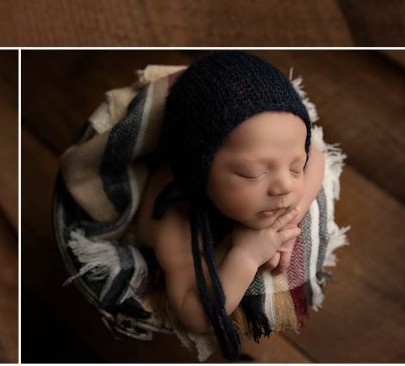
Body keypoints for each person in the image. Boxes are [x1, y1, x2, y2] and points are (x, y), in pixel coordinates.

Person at [133, 52, 326, 360]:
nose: (286, 186)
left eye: (294, 166)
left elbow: (316, 157)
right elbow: (195, 313)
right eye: (253, 173)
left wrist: (289, 220)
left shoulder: (286, 172)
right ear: (200, 172)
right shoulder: (176, 217)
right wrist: (246, 254)